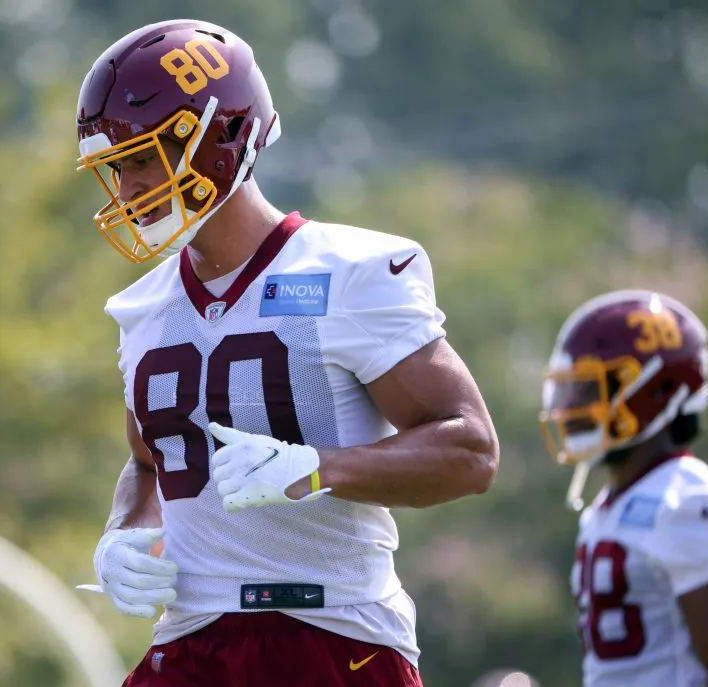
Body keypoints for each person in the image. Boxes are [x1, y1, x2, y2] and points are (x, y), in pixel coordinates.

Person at [72, 18, 500, 687]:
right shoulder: (143, 307)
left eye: (139, 159)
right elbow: (148, 459)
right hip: (188, 643)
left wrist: (319, 467)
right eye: (114, 169)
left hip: (330, 638)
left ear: (216, 137)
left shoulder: (350, 272)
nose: (125, 191)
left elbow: (470, 449)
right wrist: (124, 531)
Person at [538, 289, 708, 687]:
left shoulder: (692, 504)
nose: (569, 410)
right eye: (571, 391)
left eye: (590, 390)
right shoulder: (609, 505)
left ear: (656, 390)